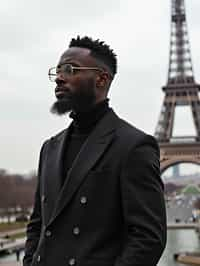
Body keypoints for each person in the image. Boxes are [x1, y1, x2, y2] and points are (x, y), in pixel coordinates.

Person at [23, 36, 167, 266]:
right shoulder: (49, 148)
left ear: (101, 78)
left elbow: (148, 238)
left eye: (70, 69)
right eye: (58, 71)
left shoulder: (133, 146)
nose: (59, 78)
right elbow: (37, 223)